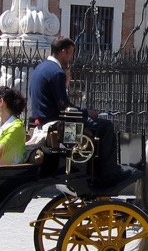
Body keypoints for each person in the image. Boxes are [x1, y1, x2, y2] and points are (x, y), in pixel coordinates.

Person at [28, 35, 122, 185]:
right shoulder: (56, 72)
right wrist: (87, 112)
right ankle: (108, 174)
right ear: (63, 52)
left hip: (43, 122)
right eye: (71, 53)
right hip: (59, 126)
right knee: (106, 127)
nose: (71, 58)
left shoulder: (40, 68)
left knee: (96, 126)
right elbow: (65, 107)